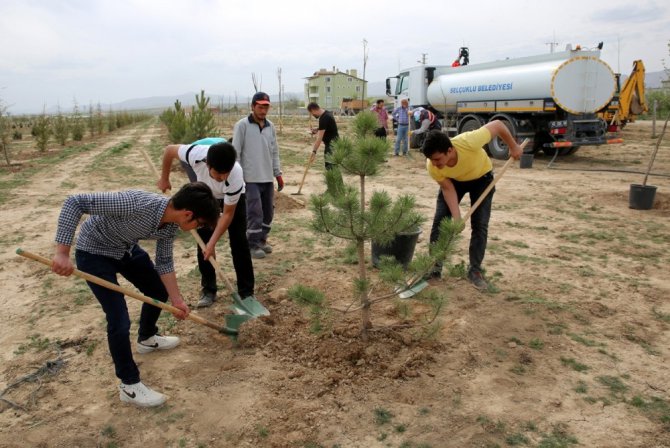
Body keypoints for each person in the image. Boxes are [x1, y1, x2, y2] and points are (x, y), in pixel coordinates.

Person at [51, 183, 220, 407]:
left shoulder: (169, 226)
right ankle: (129, 386)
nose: (195, 228)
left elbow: (164, 263)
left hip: (124, 248)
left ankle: (147, 338)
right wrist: (62, 252)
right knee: (119, 319)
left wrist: (177, 300)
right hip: (93, 252)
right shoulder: (135, 203)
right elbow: (75, 202)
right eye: (198, 224)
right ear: (188, 214)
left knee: (158, 290)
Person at [422, 121, 522, 290]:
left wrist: (513, 146)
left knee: (480, 224)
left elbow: (497, 125)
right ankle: (434, 269)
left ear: (450, 150)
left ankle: (475, 271)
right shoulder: (433, 166)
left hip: (481, 178)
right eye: (432, 160)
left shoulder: (469, 141)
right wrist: (457, 217)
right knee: (440, 223)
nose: (434, 164)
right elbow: (448, 189)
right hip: (454, 182)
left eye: (438, 159)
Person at [158, 140, 255, 308]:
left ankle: (246, 293)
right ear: (207, 164)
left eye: (226, 173)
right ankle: (209, 289)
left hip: (232, 201)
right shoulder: (195, 155)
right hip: (206, 195)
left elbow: (227, 214)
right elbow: (169, 150)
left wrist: (213, 242)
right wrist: (164, 178)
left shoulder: (235, 175)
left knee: (239, 241)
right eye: (218, 173)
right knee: (203, 242)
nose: (222, 177)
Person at [232, 92, 283, 260]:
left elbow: (274, 151)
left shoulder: (270, 126)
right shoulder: (242, 125)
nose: (263, 110)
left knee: (268, 212)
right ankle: (252, 244)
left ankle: (262, 240)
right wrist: (238, 177)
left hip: (267, 177)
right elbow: (236, 153)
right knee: (255, 212)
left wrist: (278, 173)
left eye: (266, 107)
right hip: (250, 178)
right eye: (260, 107)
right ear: (253, 106)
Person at [307, 102, 339, 170]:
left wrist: (314, 151)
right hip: (335, 143)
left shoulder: (323, 118)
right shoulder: (327, 113)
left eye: (311, 113)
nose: (312, 115)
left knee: (331, 168)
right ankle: (335, 181)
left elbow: (319, 138)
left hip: (332, 146)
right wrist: (318, 129)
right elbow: (328, 128)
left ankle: (334, 181)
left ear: (313, 110)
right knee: (333, 168)